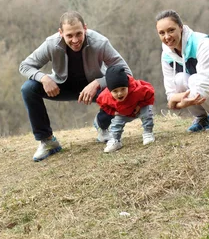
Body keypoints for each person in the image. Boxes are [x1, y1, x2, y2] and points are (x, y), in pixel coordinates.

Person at [20, 11, 132, 161]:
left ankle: (102, 124)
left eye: (79, 34)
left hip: (94, 88)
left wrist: (98, 82)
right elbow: (25, 66)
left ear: (85, 28)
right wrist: (44, 78)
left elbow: (126, 73)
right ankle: (47, 141)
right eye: (69, 36)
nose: (75, 40)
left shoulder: (100, 42)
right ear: (61, 33)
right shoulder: (51, 44)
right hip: (61, 86)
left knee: (123, 86)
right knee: (28, 88)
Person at [96, 65, 155, 153]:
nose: (120, 94)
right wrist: (113, 112)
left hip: (138, 109)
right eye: (115, 91)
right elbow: (102, 105)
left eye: (123, 89)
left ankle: (148, 133)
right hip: (122, 112)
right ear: (109, 90)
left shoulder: (138, 90)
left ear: (127, 86)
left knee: (147, 114)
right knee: (116, 125)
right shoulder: (105, 96)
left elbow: (150, 94)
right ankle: (115, 140)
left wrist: (140, 105)